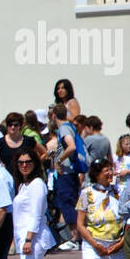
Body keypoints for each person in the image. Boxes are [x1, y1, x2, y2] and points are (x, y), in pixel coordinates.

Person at [48, 103, 82, 251]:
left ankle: (75, 238)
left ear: (54, 115)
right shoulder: (68, 127)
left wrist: (58, 161)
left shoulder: (64, 128)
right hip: (69, 173)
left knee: (67, 203)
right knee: (69, 202)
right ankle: (75, 237)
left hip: (67, 172)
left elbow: (71, 146)